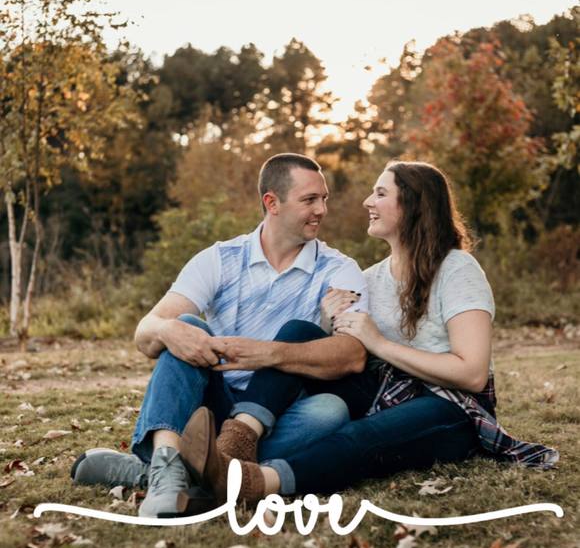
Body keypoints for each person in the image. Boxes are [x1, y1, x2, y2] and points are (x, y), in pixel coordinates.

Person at [180, 160, 559, 505]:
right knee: (300, 332)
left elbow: (472, 374)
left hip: (450, 406)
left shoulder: (457, 269)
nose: (367, 202)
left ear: (412, 205)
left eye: (380, 193)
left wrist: (377, 341)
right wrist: (327, 323)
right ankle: (236, 442)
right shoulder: (370, 279)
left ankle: (253, 483)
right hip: (383, 391)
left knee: (360, 438)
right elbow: (332, 351)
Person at [71, 153, 369, 517]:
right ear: (272, 203)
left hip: (279, 413)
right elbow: (145, 334)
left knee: (330, 411)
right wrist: (167, 329)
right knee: (185, 326)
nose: (321, 209)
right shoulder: (219, 259)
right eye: (309, 200)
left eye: (324, 199)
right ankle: (167, 469)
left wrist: (266, 353)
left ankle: (177, 472)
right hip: (210, 409)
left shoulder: (340, 270)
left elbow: (354, 355)